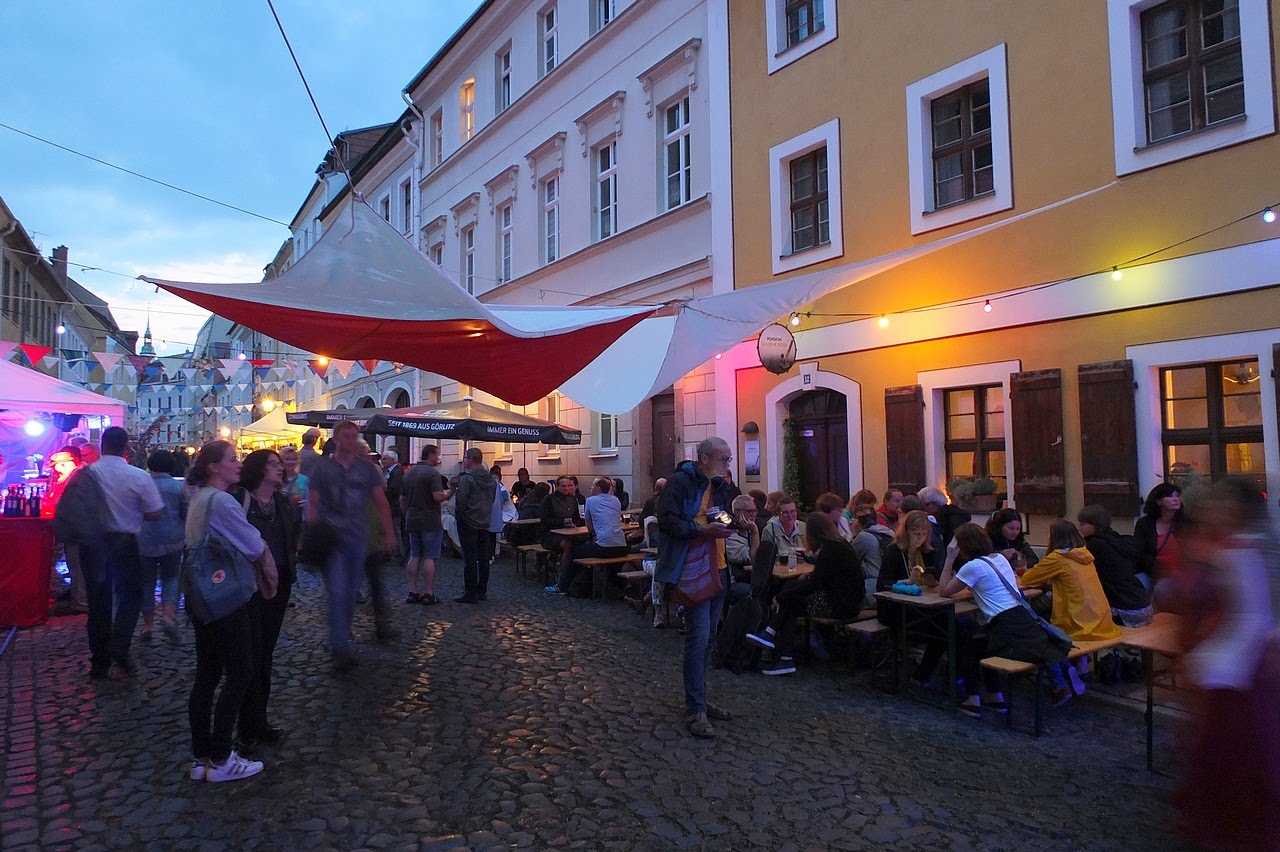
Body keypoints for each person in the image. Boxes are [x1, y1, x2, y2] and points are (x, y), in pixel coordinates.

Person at [1156, 477, 1280, 850]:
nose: (1212, 511)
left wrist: (1210, 657)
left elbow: (1252, 617)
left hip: (1238, 670)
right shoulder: (1220, 547)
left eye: (1220, 505)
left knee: (1237, 758)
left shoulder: (1242, 550)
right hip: (1226, 664)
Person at [184, 440, 268, 783]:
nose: (239, 463)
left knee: (206, 675)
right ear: (214, 467)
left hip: (201, 596)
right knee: (240, 672)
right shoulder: (221, 501)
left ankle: (201, 756)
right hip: (225, 596)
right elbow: (252, 543)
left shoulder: (199, 497)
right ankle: (221, 758)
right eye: (233, 459)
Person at [938, 523, 1076, 712]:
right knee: (976, 638)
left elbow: (944, 590)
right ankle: (994, 695)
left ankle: (973, 699)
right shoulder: (1000, 559)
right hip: (1022, 621)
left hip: (1006, 630)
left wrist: (949, 558)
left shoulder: (972, 567)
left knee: (966, 641)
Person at [655, 436, 734, 739]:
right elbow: (667, 521)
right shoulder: (680, 482)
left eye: (728, 459)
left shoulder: (719, 484)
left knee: (709, 637)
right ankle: (695, 708)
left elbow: (719, 514)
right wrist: (702, 530)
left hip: (719, 566)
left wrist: (731, 521)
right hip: (693, 567)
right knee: (698, 638)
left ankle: (700, 698)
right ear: (704, 458)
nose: (727, 464)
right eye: (723, 459)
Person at [307, 420, 395, 670]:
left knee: (349, 592)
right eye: (346, 435)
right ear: (336, 438)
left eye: (354, 436)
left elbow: (380, 501)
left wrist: (389, 533)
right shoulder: (322, 470)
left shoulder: (367, 470)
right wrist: (311, 535)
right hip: (332, 539)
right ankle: (340, 647)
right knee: (338, 590)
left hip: (358, 539)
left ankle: (342, 637)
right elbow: (313, 503)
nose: (350, 440)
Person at [81, 427, 164, 678]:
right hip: (124, 542)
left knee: (98, 602)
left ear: (102, 445)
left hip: (93, 544)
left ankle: (99, 661)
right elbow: (155, 512)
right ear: (126, 448)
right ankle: (120, 644)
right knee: (130, 595)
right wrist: (132, 513)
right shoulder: (137, 476)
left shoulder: (87, 474)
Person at [233, 449, 298, 754]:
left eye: (279, 464)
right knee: (249, 653)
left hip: (278, 582)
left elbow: (290, 538)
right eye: (273, 464)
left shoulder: (282, 502)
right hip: (248, 585)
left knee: (266, 653)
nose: (279, 468)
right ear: (259, 469)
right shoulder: (239, 501)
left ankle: (259, 720)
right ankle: (245, 725)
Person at [748, 513, 865, 676]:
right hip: (849, 601)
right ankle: (777, 646)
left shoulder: (830, 550)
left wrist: (780, 596)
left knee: (789, 601)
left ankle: (776, 643)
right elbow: (828, 573)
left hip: (842, 605)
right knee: (790, 592)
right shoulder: (839, 545)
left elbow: (814, 585)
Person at [1018, 521, 1122, 643]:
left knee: (1029, 607)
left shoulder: (1057, 558)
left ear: (1055, 537)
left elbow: (1027, 579)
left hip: (1079, 623)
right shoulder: (1084, 555)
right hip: (1101, 621)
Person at [137, 450, 186, 644]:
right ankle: (168, 616)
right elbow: (185, 511)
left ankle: (148, 625)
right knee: (171, 578)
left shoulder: (143, 485)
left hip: (145, 539)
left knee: (146, 582)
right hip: (173, 538)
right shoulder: (178, 487)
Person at [1076, 505, 1151, 626]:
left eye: (1083, 524)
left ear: (1095, 524)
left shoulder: (1095, 545)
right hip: (1142, 604)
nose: (1079, 528)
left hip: (1124, 609)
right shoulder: (1118, 539)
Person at [557, 478, 629, 597]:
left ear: (598, 488)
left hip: (603, 546)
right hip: (621, 546)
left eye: (593, 486)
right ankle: (615, 585)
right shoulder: (616, 500)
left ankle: (563, 585)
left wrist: (594, 534)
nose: (591, 488)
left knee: (573, 551)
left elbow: (589, 527)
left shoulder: (590, 500)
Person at [401, 444, 450, 605]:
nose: (438, 458)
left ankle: (412, 591)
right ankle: (428, 593)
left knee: (415, 554)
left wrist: (407, 513)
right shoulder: (432, 474)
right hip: (430, 520)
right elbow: (437, 496)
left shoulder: (409, 473)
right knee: (430, 556)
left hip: (412, 518)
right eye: (437, 455)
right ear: (430, 455)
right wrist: (449, 493)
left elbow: (402, 499)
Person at [45, 446, 89, 614]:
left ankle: (81, 603)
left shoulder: (76, 479)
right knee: (76, 566)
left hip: (76, 530)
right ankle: (78, 598)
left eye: (56, 466)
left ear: (65, 464)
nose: (55, 471)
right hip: (75, 528)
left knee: (78, 566)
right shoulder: (74, 477)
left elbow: (65, 504)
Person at [454, 447, 496, 603]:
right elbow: (492, 500)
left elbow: (461, 501)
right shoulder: (491, 479)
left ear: (471, 459)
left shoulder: (468, 478)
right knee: (484, 559)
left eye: (466, 458)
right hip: (484, 522)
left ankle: (470, 593)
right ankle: (482, 590)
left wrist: (461, 517)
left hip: (469, 522)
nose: (464, 461)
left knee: (470, 559)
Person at [1133, 482, 1183, 588]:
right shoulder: (1145, 524)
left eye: (1177, 496)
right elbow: (1140, 554)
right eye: (1170, 496)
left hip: (1180, 573)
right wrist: (1162, 570)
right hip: (1151, 572)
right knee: (1140, 583)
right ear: (1158, 501)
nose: (1175, 499)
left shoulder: (1185, 523)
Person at [540, 477, 583, 594]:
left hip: (570, 533)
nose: (566, 488)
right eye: (563, 486)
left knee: (581, 543)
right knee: (568, 545)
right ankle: (563, 580)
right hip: (551, 535)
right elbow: (545, 520)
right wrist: (563, 522)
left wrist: (575, 525)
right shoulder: (549, 500)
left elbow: (577, 518)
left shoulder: (573, 499)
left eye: (569, 486)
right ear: (557, 486)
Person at [918, 485, 971, 550]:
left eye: (923, 505)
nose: (922, 509)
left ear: (934, 505)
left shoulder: (953, 521)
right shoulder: (942, 518)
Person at [761, 496, 805, 562]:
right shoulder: (769, 530)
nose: (790, 515)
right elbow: (765, 557)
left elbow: (810, 552)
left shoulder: (803, 527)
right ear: (778, 514)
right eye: (785, 512)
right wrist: (786, 557)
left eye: (792, 511)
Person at [488, 465, 516, 562]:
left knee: (495, 528)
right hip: (500, 512)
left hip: (507, 514)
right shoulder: (497, 488)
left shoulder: (502, 490)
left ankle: (496, 551)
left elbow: (502, 501)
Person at [381, 450, 406, 560]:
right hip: (390, 505)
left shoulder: (397, 472)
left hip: (394, 505)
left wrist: (382, 491)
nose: (382, 461)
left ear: (392, 460)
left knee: (396, 530)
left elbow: (394, 489)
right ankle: (390, 552)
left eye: (385, 459)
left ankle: (399, 554)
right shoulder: (388, 471)